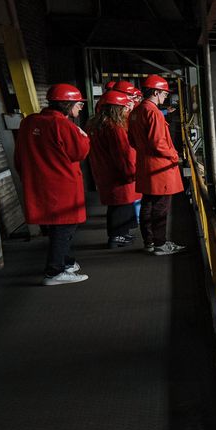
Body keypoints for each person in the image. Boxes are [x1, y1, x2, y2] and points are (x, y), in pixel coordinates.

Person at [14, 83, 91, 285]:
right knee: (64, 227)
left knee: (56, 227)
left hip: (39, 184)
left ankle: (64, 262)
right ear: (67, 104)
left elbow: (19, 157)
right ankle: (54, 272)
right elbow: (79, 153)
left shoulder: (29, 122)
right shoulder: (63, 125)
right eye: (78, 103)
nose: (80, 107)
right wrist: (83, 137)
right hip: (62, 185)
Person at [128, 74, 186, 255]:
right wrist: (175, 156)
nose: (165, 97)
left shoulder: (136, 111)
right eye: (164, 94)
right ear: (155, 92)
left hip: (145, 164)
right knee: (161, 206)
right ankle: (160, 244)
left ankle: (149, 242)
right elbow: (158, 143)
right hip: (160, 166)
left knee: (148, 203)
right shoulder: (153, 112)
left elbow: (132, 140)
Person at [88, 90, 139, 247]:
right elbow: (123, 154)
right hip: (119, 174)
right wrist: (131, 172)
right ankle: (117, 237)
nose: (127, 110)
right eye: (124, 107)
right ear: (117, 109)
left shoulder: (95, 125)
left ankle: (121, 235)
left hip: (104, 172)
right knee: (121, 205)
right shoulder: (115, 128)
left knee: (116, 205)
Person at [113, 80, 144, 225]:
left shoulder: (115, 120)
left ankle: (128, 224)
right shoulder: (118, 124)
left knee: (125, 198)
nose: (132, 101)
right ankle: (122, 230)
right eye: (129, 97)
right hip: (125, 164)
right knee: (123, 198)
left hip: (124, 163)